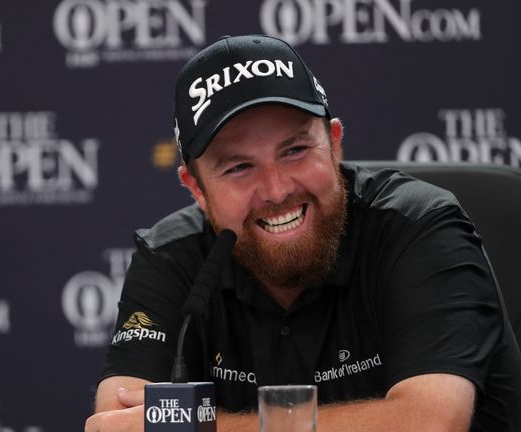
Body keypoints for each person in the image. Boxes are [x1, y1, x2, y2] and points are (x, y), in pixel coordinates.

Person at [85, 35, 521, 431]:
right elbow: (119, 420)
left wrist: (201, 428)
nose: (277, 189)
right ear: (196, 188)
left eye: (294, 150)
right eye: (239, 167)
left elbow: (428, 424)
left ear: (334, 144)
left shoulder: (419, 227)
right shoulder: (171, 257)